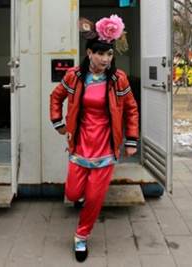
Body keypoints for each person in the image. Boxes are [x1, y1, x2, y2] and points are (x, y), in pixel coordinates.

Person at [49, 15, 139, 262]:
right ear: (89, 53)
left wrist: (131, 139)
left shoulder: (118, 78)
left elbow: (131, 108)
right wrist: (58, 122)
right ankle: (79, 198)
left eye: (109, 55)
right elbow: (56, 97)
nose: (105, 59)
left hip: (106, 147)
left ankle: (81, 237)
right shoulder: (75, 76)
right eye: (100, 54)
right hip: (79, 144)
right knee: (72, 192)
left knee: (95, 197)